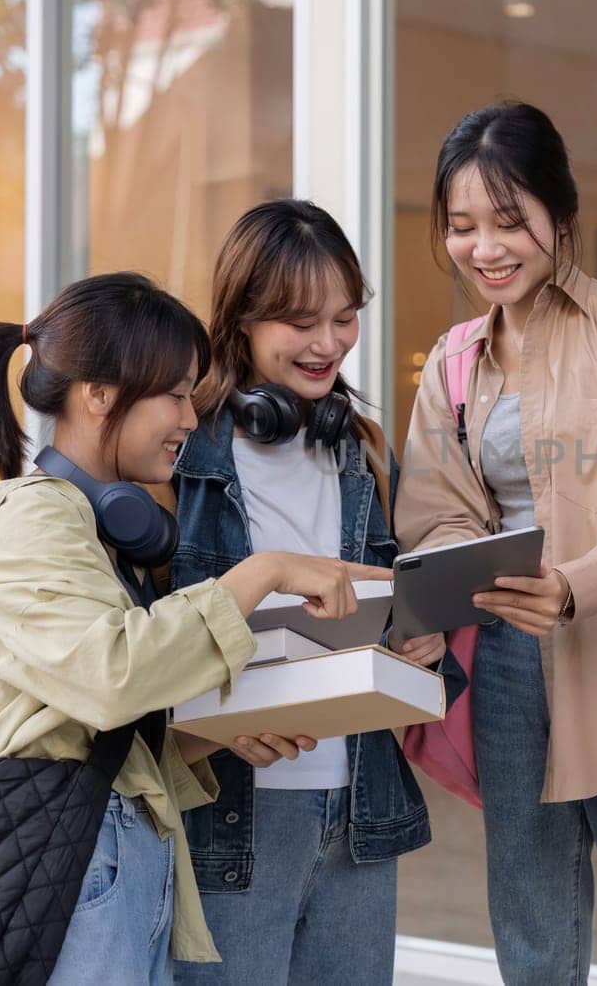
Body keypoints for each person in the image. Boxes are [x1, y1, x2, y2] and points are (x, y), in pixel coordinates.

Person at [0, 271, 381, 982]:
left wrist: (219, 731)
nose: (191, 417)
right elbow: (111, 679)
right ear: (97, 393)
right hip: (75, 858)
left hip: (125, 855)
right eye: (176, 394)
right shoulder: (29, 516)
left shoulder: (104, 530)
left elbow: (106, 730)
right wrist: (264, 571)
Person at [396, 101, 597, 985]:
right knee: (532, 932)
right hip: (504, 666)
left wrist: (575, 583)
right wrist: (459, 570)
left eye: (509, 220)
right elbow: (437, 510)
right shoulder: (455, 359)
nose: (485, 248)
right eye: (462, 227)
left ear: (560, 215)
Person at [170, 200, 451, 986]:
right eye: (301, 320)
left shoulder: (357, 447)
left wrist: (416, 639)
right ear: (242, 320)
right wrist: (216, 715)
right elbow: (146, 640)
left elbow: (380, 602)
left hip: (358, 809)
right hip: (233, 812)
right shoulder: (184, 454)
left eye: (344, 316)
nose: (329, 342)